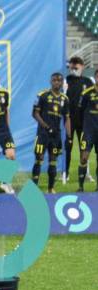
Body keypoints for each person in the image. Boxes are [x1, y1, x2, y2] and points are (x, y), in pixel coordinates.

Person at [32, 73, 71, 193]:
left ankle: (51, 188)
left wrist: (69, 137)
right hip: (43, 134)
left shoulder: (65, 99)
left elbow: (67, 119)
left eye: (59, 80)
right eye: (54, 80)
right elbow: (35, 113)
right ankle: (34, 187)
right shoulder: (42, 95)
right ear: (50, 81)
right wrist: (46, 126)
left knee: (53, 161)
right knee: (39, 159)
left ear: (62, 82)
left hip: (56, 136)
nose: (57, 82)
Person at [65, 56, 91, 184]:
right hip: (69, 120)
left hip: (84, 121)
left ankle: (86, 173)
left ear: (82, 67)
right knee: (68, 147)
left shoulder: (88, 81)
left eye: (76, 67)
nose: (74, 70)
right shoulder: (65, 80)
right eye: (72, 67)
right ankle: (66, 173)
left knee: (85, 148)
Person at [78, 69, 98, 192]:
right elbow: (80, 111)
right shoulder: (86, 93)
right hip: (88, 131)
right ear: (95, 77)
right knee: (84, 157)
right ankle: (80, 187)